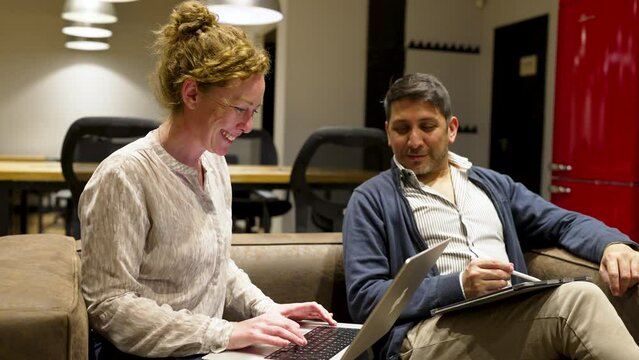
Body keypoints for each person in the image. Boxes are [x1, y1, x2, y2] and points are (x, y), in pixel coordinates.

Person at [79, 1, 335, 359]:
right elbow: (110, 306)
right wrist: (225, 332)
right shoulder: (124, 176)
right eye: (239, 109)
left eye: (253, 112)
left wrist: (265, 309)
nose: (248, 126)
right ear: (192, 93)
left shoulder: (214, 164)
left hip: (204, 349)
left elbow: (216, 266)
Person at [342, 73, 639, 359]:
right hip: (426, 334)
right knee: (578, 300)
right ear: (388, 133)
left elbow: (563, 223)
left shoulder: (494, 185)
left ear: (451, 129)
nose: (415, 140)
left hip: (511, 315)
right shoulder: (370, 199)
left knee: (578, 301)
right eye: (402, 129)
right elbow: (365, 300)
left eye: (427, 126)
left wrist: (611, 244)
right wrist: (458, 286)